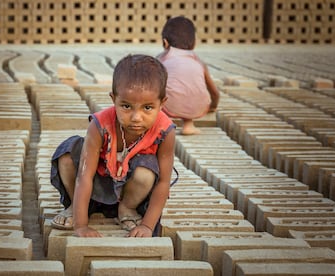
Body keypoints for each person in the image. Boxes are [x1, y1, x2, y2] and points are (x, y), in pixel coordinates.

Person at [50, 54, 176, 238]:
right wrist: (81, 226)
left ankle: (126, 209)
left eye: (147, 108)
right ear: (113, 99)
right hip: (95, 185)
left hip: (130, 189)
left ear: (162, 103)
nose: (136, 117)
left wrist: (148, 226)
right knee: (67, 154)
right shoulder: (100, 126)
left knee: (147, 171)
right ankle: (75, 208)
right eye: (126, 106)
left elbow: (163, 182)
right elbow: (84, 176)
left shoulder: (165, 131)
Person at [157, 16, 220, 135]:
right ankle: (188, 125)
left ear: (165, 43)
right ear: (194, 43)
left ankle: (162, 124)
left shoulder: (162, 60)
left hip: (169, 107)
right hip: (198, 107)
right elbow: (215, 93)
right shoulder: (199, 62)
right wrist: (212, 106)